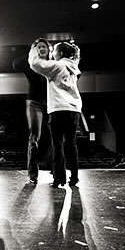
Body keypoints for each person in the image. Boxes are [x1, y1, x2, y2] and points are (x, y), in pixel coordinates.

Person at [29, 41, 82, 187]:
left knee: (57, 144)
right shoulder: (74, 66)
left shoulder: (58, 66)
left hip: (58, 109)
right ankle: (74, 177)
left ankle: (59, 179)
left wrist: (34, 50)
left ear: (61, 53)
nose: (52, 53)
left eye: (54, 51)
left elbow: (35, 64)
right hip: (74, 109)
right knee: (71, 144)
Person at [12, 38, 52, 185]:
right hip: (34, 104)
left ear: (49, 50)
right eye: (39, 47)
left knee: (54, 138)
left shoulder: (51, 66)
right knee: (35, 138)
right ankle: (33, 174)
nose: (42, 49)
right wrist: (31, 51)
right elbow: (16, 64)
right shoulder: (32, 66)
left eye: (44, 47)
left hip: (51, 104)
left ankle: (55, 171)